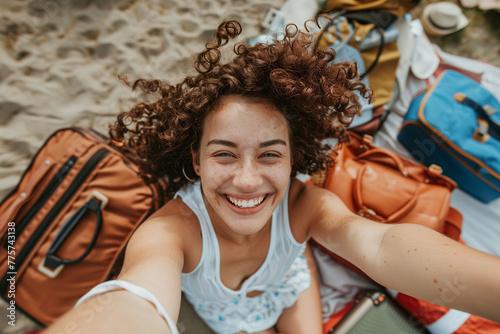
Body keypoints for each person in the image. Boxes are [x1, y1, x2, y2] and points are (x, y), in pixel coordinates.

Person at [45, 20, 500, 334]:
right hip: (227, 318)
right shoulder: (171, 232)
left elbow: (379, 246)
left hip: (291, 284)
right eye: (224, 154)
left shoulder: (306, 205)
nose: (246, 180)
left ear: (293, 158)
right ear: (197, 160)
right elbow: (137, 299)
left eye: (269, 154)